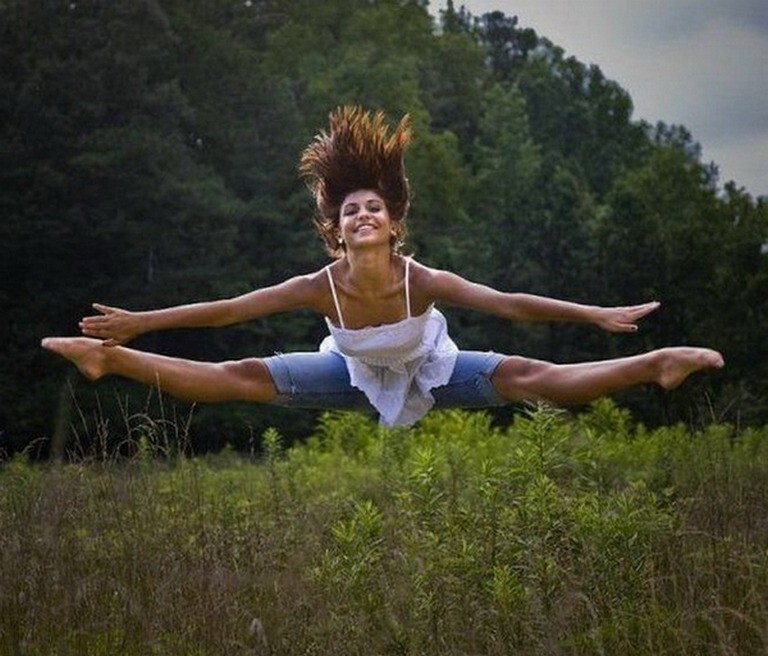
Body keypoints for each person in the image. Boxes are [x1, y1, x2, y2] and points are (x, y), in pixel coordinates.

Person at [42, 106, 723, 428]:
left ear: (394, 224)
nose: (362, 216)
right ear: (336, 233)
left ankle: (656, 363)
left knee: (525, 375)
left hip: (432, 368)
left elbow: (508, 302)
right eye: (350, 212)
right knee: (242, 377)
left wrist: (594, 315)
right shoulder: (319, 288)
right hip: (352, 373)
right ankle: (108, 364)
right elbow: (227, 311)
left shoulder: (417, 279)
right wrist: (135, 326)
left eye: (373, 208)